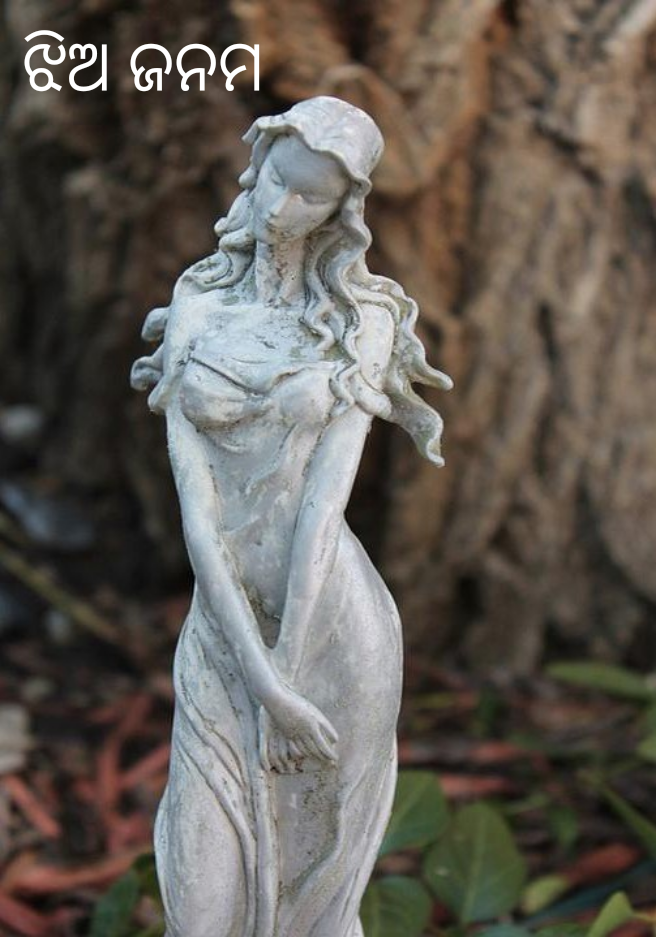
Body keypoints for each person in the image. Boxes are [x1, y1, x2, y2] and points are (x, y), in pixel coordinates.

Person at [131, 95, 451, 937]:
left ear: (343, 211)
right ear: (256, 169)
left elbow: (322, 505)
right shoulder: (198, 302)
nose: (282, 208)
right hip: (226, 625)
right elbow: (200, 516)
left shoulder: (362, 320)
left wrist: (292, 663)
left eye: (310, 197)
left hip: (332, 632)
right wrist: (266, 682)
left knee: (317, 906)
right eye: (277, 181)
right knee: (201, 908)